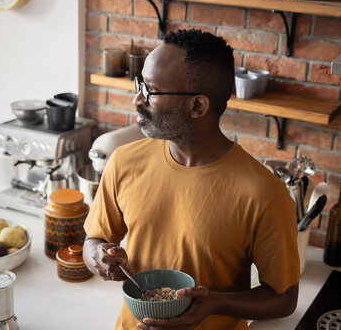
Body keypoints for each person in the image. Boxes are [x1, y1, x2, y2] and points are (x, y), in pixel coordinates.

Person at [83, 29, 299, 330]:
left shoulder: (264, 194)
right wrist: (98, 256)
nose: (137, 99)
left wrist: (215, 303)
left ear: (197, 106)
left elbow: (285, 298)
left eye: (152, 91)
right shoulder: (123, 161)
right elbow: (93, 240)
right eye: (140, 85)